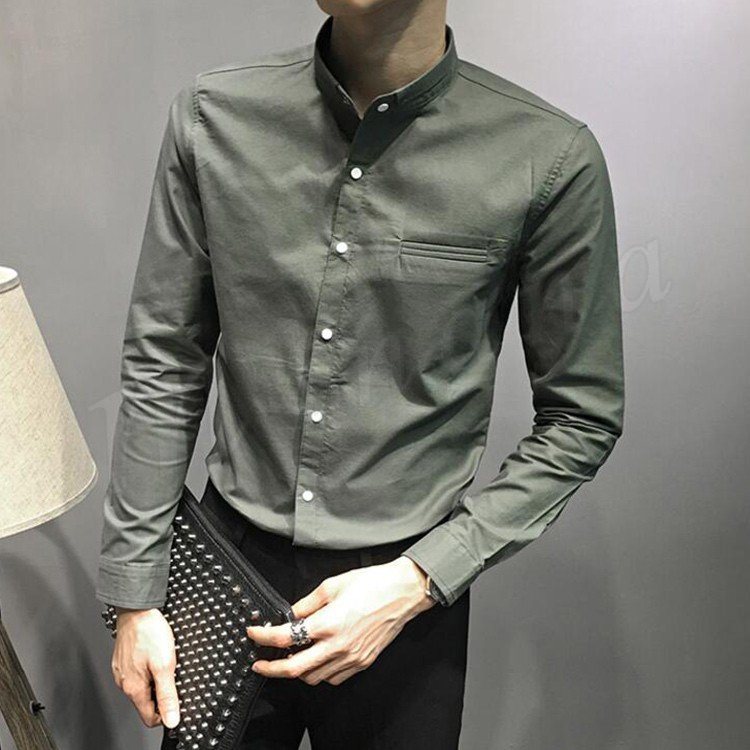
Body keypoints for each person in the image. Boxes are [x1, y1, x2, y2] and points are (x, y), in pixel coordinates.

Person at [96, 0, 625, 747]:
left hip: (406, 598)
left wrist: (420, 579)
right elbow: (165, 361)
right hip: (229, 572)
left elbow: (581, 417)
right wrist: (135, 595)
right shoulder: (213, 118)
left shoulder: (548, 156)